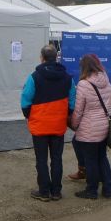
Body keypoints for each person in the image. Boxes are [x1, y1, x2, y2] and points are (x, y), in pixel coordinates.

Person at [21, 45, 76, 202]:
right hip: (58, 125)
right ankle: (56, 192)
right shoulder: (68, 77)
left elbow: (26, 99)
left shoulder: (34, 77)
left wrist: (29, 115)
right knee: (57, 158)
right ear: (56, 58)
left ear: (42, 58)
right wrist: (67, 114)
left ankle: (44, 192)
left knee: (41, 160)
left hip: (39, 125)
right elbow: (73, 100)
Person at [70, 54, 111, 199]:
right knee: (102, 157)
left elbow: (78, 110)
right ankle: (107, 188)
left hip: (89, 128)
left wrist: (74, 125)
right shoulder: (106, 81)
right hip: (104, 126)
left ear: (84, 67)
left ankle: (91, 190)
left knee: (90, 160)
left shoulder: (84, 84)